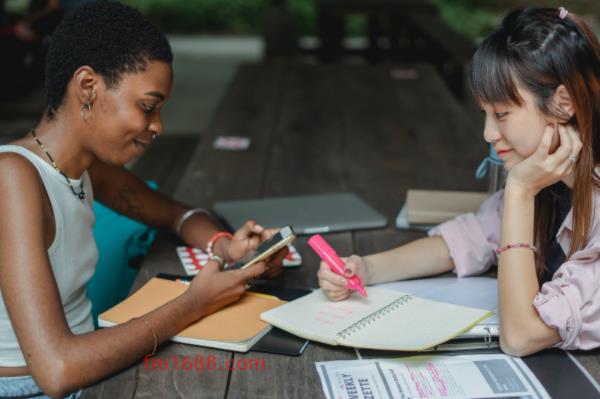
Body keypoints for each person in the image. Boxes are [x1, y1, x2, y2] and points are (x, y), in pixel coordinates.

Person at [0, 2, 286, 398]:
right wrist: (195, 303)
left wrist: (225, 246)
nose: (158, 127)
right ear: (88, 87)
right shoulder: (13, 177)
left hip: (95, 364)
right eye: (148, 107)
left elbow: (177, 214)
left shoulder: (84, 169)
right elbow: (56, 370)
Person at [318, 6, 600, 357]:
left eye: (501, 114)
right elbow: (467, 239)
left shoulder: (540, 189)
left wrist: (519, 192)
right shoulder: (553, 185)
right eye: (485, 114)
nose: (488, 133)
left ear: (564, 104)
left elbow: (521, 337)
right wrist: (366, 268)